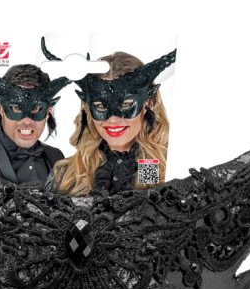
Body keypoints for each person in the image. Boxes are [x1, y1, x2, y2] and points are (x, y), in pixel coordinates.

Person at [49, 49, 175, 196]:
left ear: (148, 102)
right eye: (101, 106)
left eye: (126, 104)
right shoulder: (65, 175)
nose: (113, 119)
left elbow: (151, 195)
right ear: (88, 107)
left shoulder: (171, 168)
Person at [0, 62, 69, 186]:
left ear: (49, 111)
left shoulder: (57, 157)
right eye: (16, 108)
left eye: (36, 108)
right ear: (1, 109)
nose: (26, 121)